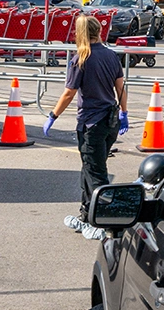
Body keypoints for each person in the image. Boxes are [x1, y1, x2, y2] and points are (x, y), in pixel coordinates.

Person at [44, 15, 129, 237]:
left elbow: (69, 93)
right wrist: (124, 113)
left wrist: (53, 115)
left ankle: (105, 220)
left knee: (95, 172)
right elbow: (120, 87)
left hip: (91, 123)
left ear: (80, 34)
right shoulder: (111, 56)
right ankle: (86, 213)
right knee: (89, 168)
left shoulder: (81, 58)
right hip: (110, 121)